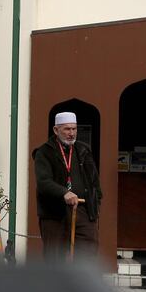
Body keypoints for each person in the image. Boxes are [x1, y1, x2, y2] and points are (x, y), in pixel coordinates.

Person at [33, 111, 102, 262]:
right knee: (55, 256)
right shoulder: (44, 152)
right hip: (55, 212)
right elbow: (44, 182)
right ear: (56, 130)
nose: (71, 133)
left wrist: (96, 202)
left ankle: (81, 284)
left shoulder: (83, 150)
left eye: (74, 129)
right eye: (67, 129)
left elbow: (94, 180)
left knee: (88, 251)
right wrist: (64, 193)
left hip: (83, 209)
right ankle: (55, 285)